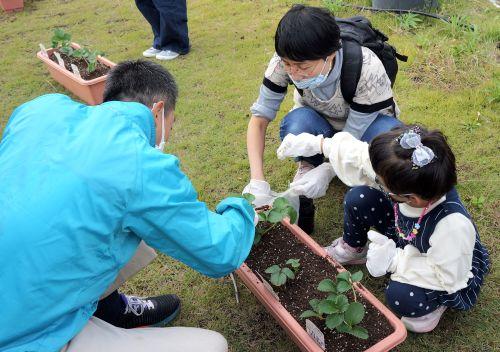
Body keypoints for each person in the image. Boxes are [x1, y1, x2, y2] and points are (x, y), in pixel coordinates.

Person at [0, 60, 255, 352]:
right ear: (158, 110)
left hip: (21, 281)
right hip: (20, 337)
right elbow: (222, 252)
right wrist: (242, 207)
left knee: (125, 223)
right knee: (212, 345)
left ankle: (108, 308)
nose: (166, 135)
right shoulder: (139, 163)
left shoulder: (41, 109)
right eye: (170, 125)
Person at [277, 125, 490, 332]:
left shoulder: (452, 226)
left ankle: (435, 303)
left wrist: (395, 260)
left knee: (400, 296)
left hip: (446, 267)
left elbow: (448, 275)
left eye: (383, 184)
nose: (377, 180)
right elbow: (362, 157)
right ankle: (353, 249)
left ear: (412, 199)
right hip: (408, 234)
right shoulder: (409, 174)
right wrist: (320, 144)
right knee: (359, 197)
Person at [244, 4, 401, 206]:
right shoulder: (286, 60)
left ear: (331, 55)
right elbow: (259, 120)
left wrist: (328, 171)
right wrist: (257, 181)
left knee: (388, 141)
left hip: (366, 126)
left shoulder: (366, 66)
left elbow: (353, 133)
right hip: (321, 122)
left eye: (303, 67)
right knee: (297, 123)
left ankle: (357, 173)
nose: (293, 72)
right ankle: (309, 165)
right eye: (288, 64)